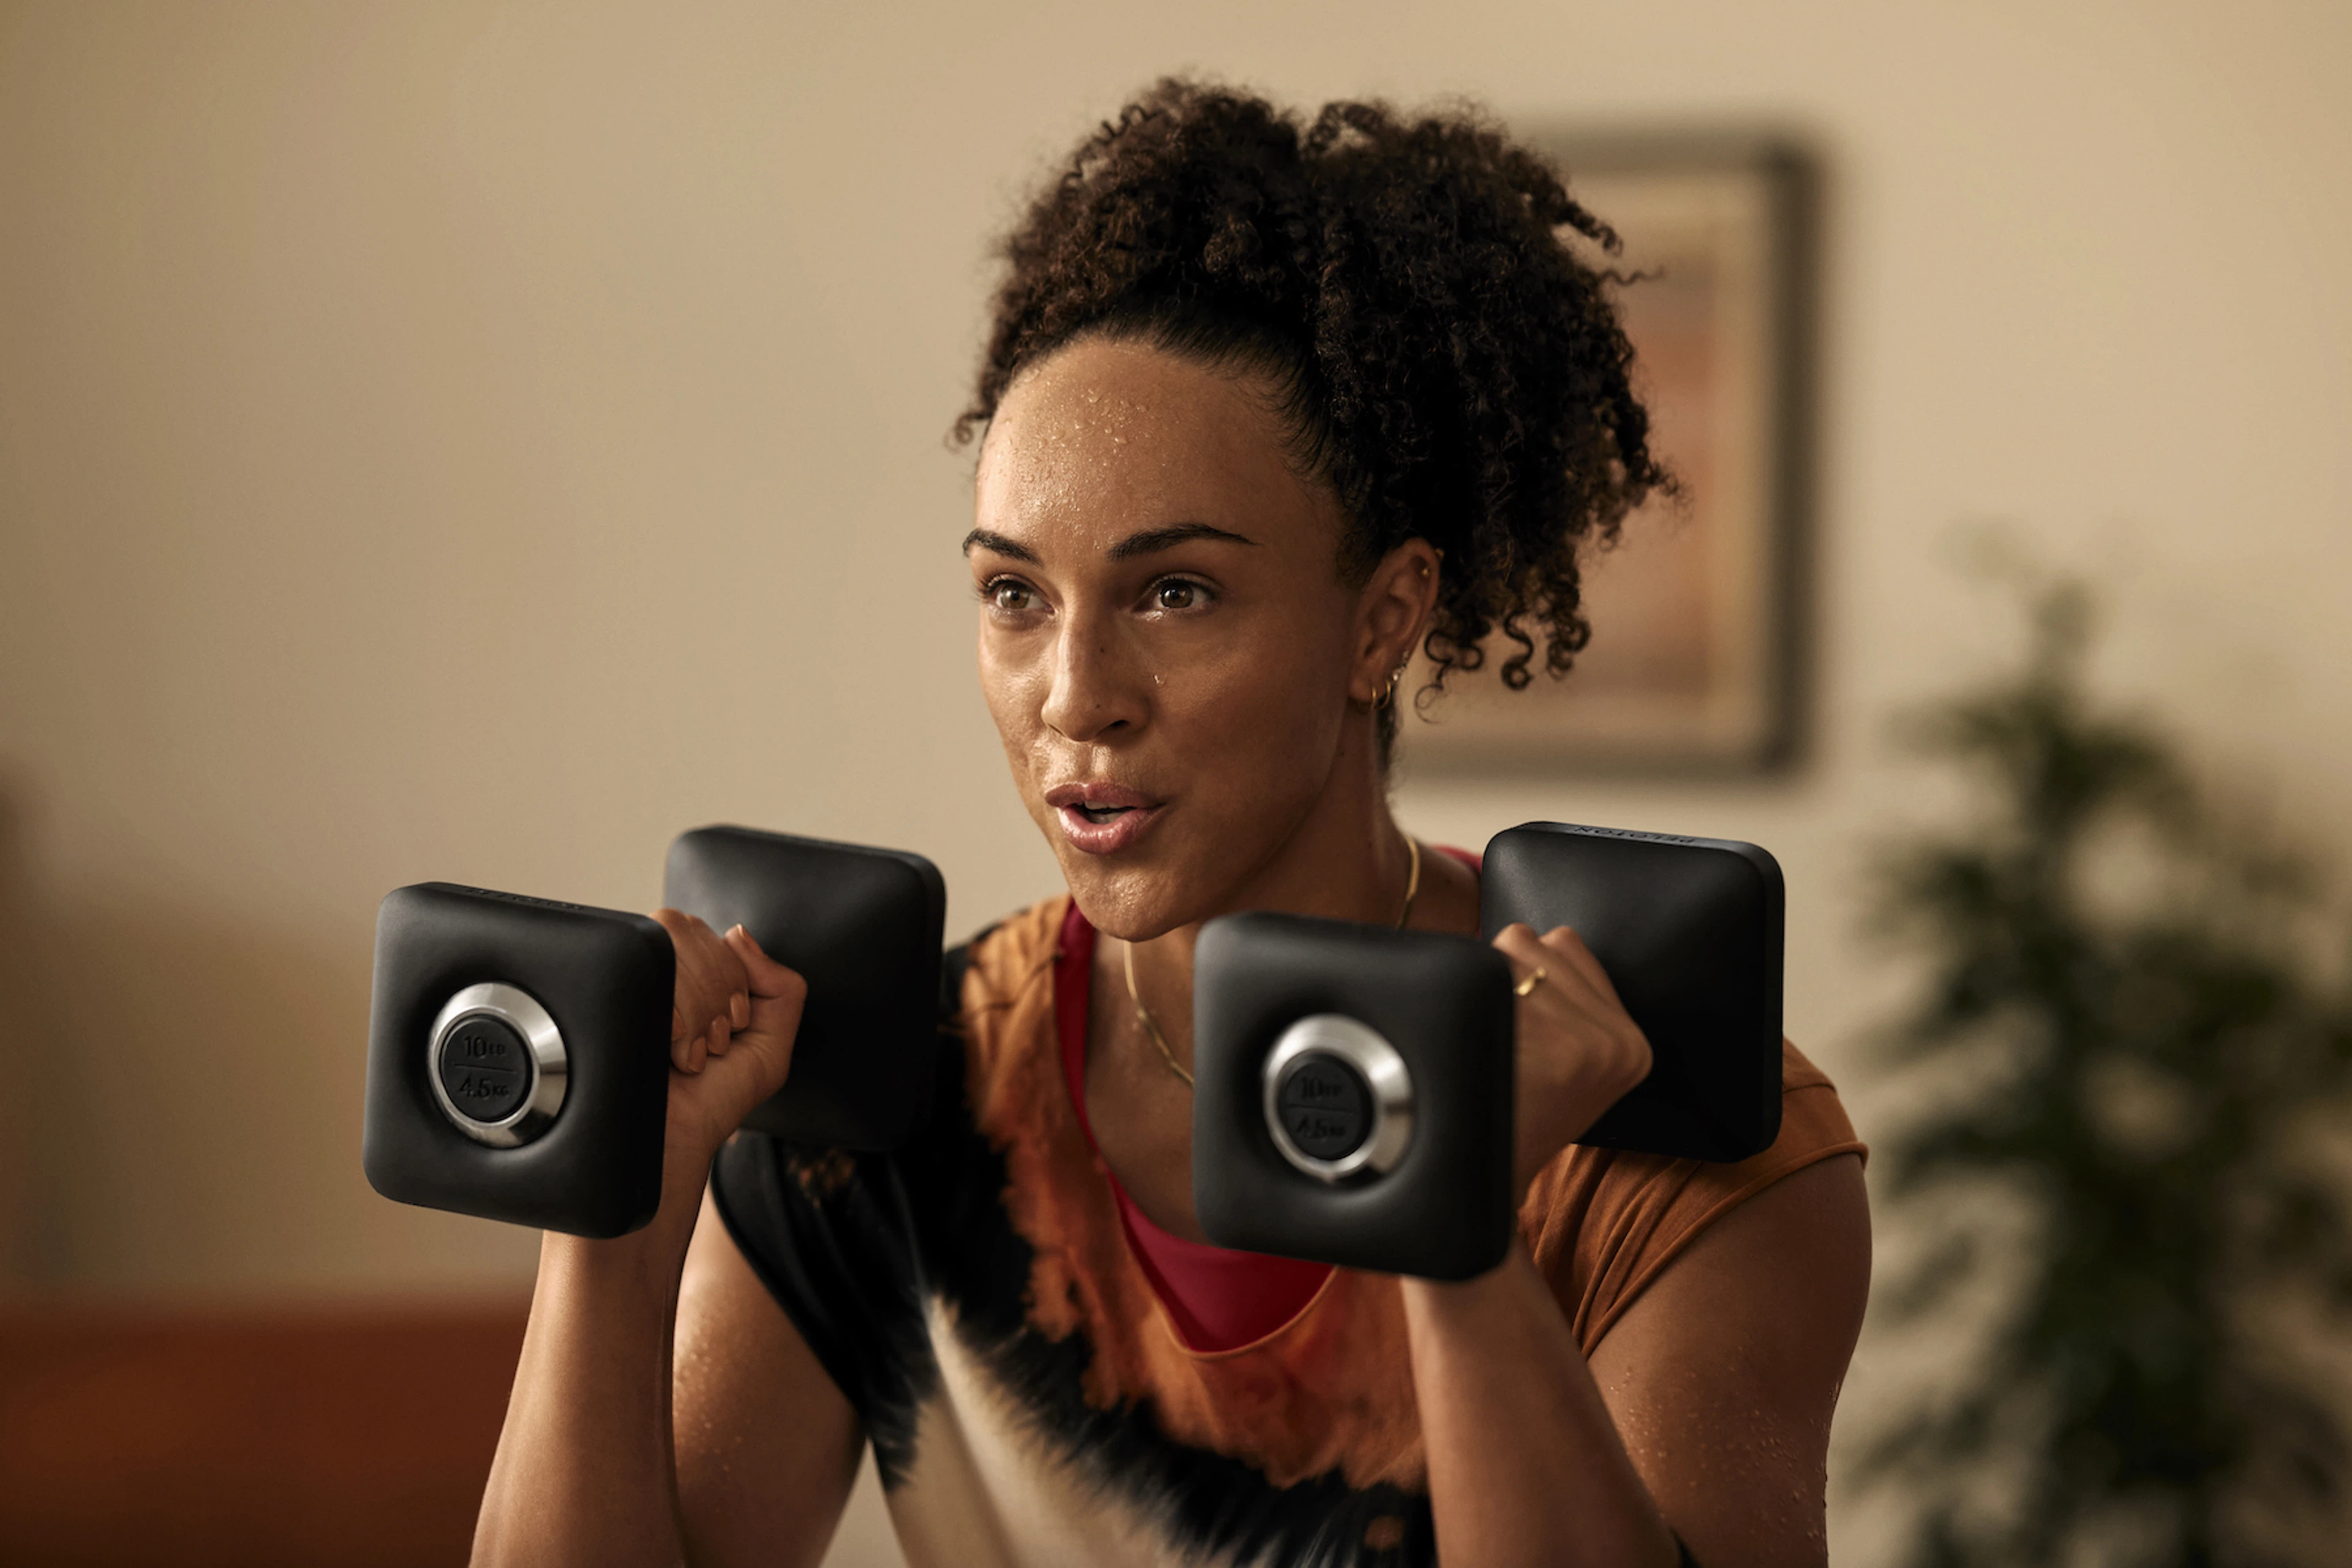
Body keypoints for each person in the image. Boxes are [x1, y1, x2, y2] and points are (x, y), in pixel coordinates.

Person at [472, 80, 1870, 1568]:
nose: (1076, 695)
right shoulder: (890, 1092)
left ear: (1383, 617)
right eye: (1015, 594)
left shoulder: (1666, 1132)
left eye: (1174, 592)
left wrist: (1458, 1236)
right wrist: (611, 1213)